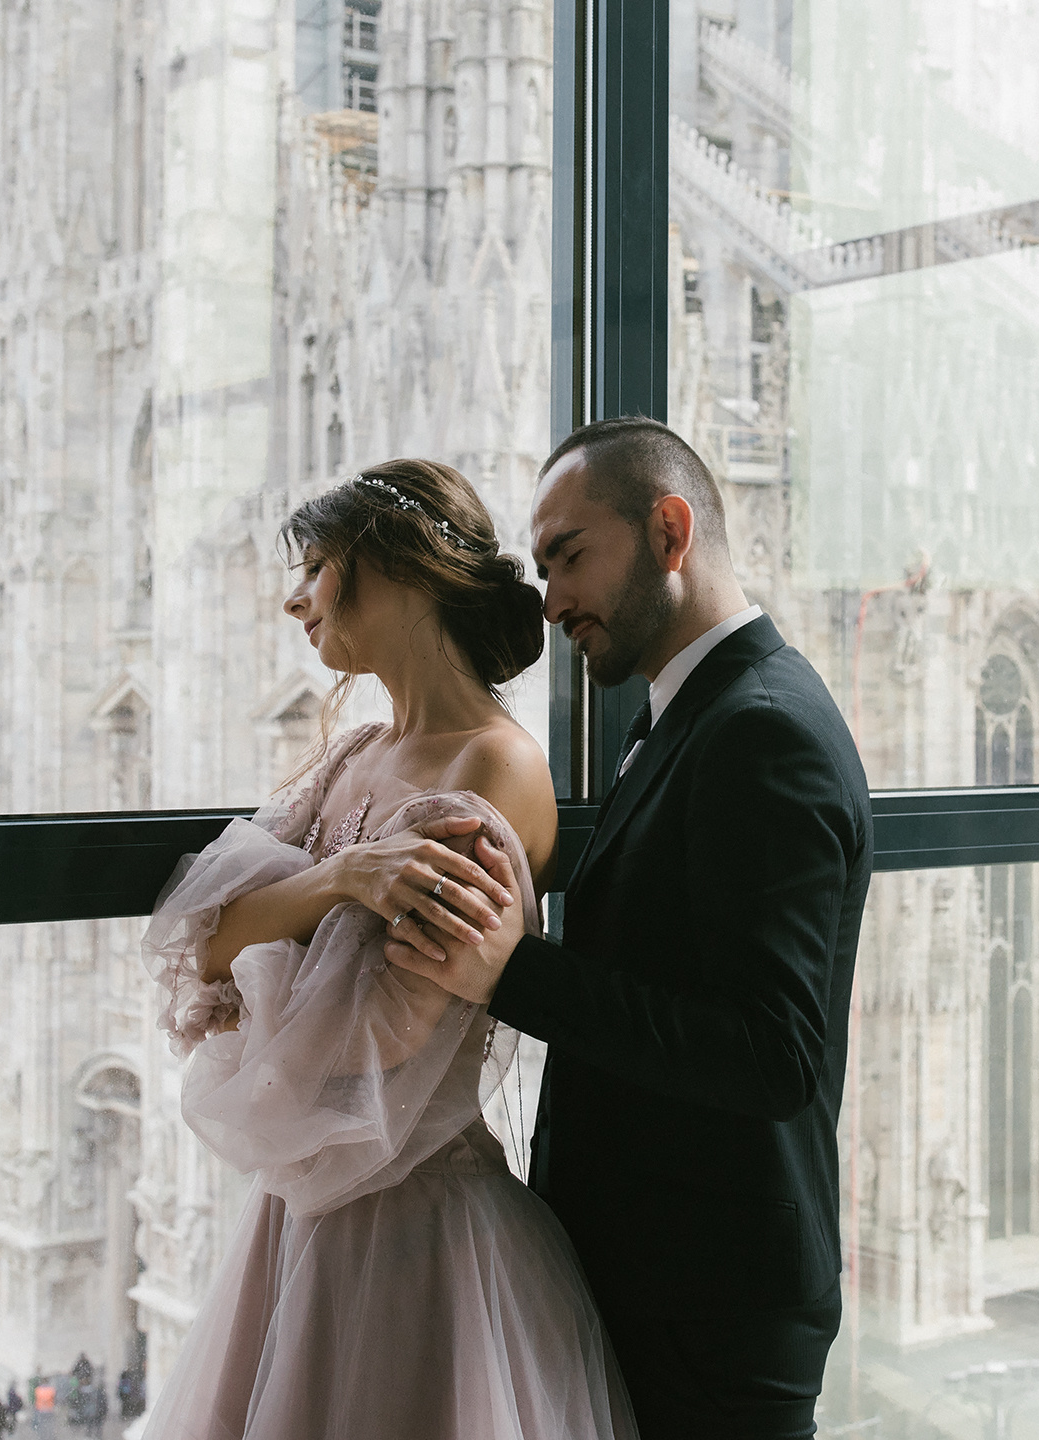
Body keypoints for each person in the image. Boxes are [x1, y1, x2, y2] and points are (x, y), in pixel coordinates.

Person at [388, 417, 872, 1439]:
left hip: (716, 1306)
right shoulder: (688, 716)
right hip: (660, 1276)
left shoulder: (764, 729)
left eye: (569, 558)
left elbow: (772, 1054)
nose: (552, 599)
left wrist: (510, 972)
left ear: (669, 530)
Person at [138, 460, 633, 1438]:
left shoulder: (492, 764)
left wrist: (275, 941)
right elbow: (201, 947)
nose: (295, 599)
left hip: (414, 1230)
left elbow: (377, 1048)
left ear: (395, 571)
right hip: (309, 1216)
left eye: (315, 567)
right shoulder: (357, 754)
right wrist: (333, 882)